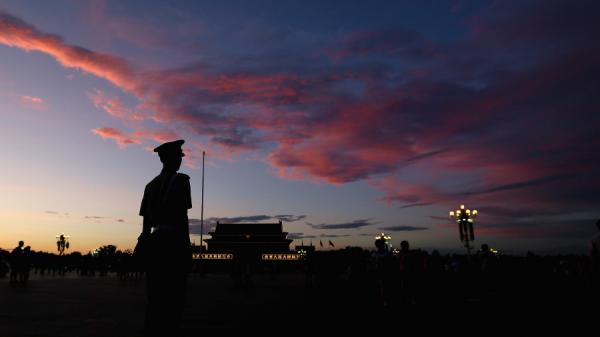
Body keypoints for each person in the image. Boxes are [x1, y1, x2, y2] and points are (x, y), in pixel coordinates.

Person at [138, 139, 192, 335]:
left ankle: (152, 328)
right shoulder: (181, 181)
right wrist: (186, 247)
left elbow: (145, 222)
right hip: (175, 242)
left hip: (156, 241)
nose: (180, 161)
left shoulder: (150, 185)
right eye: (178, 157)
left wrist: (145, 242)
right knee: (175, 293)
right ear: (169, 159)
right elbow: (182, 216)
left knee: (155, 292)